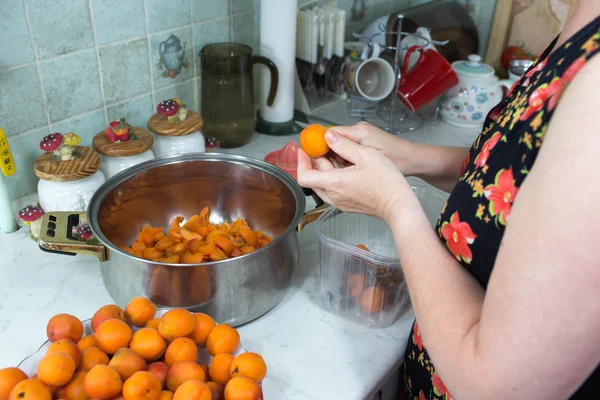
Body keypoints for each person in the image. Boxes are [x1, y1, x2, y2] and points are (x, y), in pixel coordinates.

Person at [297, 2, 600, 399]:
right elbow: (520, 175)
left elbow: (500, 386)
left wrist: (393, 203)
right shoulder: (583, 16)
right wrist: (409, 158)